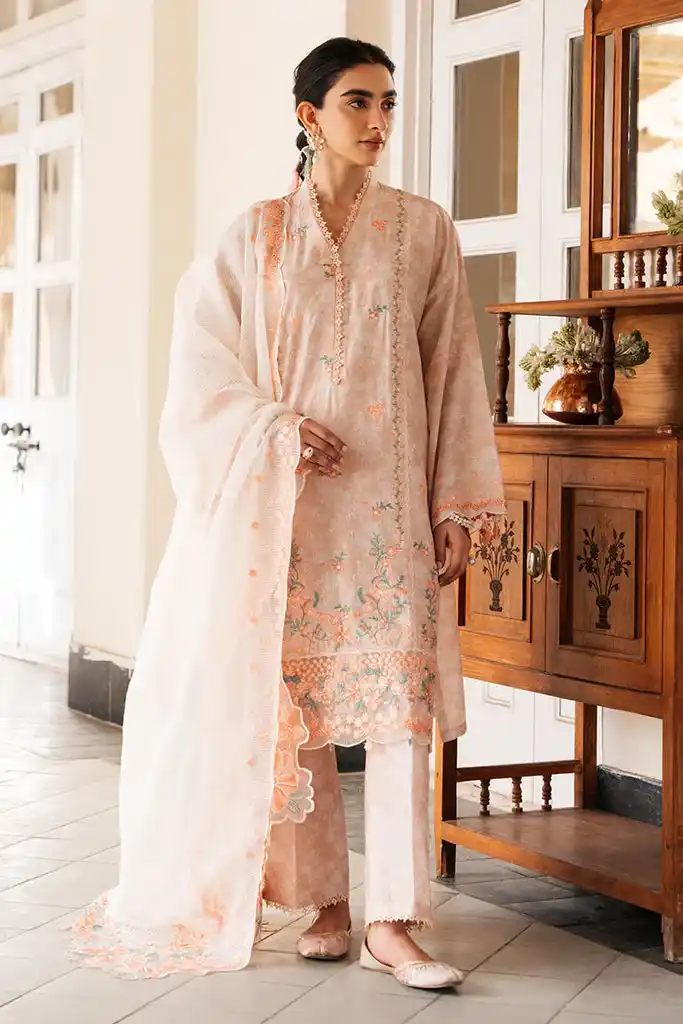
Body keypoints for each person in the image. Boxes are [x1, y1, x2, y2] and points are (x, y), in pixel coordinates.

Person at [70, 37, 505, 991]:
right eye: (358, 102)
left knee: (397, 715)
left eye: (387, 102)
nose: (378, 121)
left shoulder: (423, 230)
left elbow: (452, 370)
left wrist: (456, 504)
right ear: (309, 115)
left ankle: (394, 920)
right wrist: (272, 428)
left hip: (390, 510)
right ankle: (326, 902)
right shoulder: (256, 236)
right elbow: (200, 373)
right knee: (297, 709)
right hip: (290, 510)